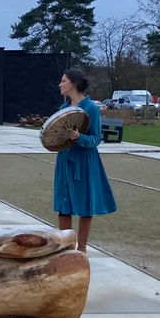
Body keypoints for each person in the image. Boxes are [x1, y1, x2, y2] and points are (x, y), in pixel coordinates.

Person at [53, 68, 117, 252]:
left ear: (74, 84)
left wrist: (78, 137)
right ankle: (65, 249)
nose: (60, 84)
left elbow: (96, 139)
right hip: (65, 159)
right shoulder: (64, 109)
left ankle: (81, 249)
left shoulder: (90, 108)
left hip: (84, 162)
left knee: (85, 205)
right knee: (64, 204)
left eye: (63, 81)